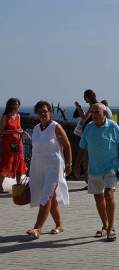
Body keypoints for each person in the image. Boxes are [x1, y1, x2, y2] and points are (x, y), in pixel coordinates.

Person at [74, 103, 119, 242]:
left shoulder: (112, 126)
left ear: (104, 113)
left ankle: (112, 228)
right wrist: (77, 165)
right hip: (94, 168)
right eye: (92, 112)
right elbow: (82, 147)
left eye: (97, 111)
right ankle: (105, 225)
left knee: (108, 195)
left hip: (111, 167)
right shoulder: (89, 128)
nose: (94, 114)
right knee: (98, 198)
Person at [26, 101, 72, 239]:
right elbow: (36, 148)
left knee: (47, 195)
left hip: (54, 165)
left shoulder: (55, 127)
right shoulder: (36, 128)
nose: (42, 114)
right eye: (39, 112)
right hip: (38, 166)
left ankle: (37, 228)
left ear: (50, 111)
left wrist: (69, 165)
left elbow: (68, 146)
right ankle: (59, 225)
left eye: (45, 111)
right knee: (47, 196)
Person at [0, 98, 30, 193]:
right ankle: (0, 186)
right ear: (11, 105)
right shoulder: (6, 117)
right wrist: (13, 131)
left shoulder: (18, 116)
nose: (18, 106)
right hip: (8, 144)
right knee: (6, 164)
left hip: (18, 143)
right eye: (17, 104)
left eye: (18, 104)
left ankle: (18, 185)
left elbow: (19, 128)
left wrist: (24, 133)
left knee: (19, 163)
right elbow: (1, 131)